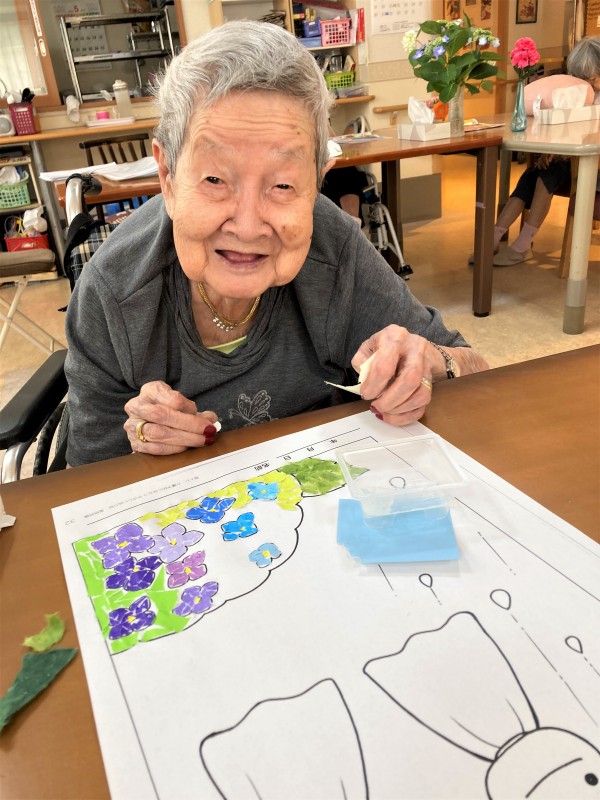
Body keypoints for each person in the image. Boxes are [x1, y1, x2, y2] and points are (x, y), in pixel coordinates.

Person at [64, 20, 488, 467]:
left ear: (317, 182)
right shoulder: (114, 288)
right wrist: (141, 441)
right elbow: (84, 475)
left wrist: (433, 363)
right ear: (167, 177)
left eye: (283, 185)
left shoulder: (334, 248)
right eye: (214, 180)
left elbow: (476, 370)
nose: (248, 227)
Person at [478, 35, 600, 267]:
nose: (587, 83)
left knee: (547, 175)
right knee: (531, 174)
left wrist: (561, 153)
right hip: (572, 160)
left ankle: (522, 246)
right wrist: (552, 150)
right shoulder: (580, 93)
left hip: (591, 167)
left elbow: (591, 139)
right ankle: (493, 237)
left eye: (592, 77)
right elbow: (567, 128)